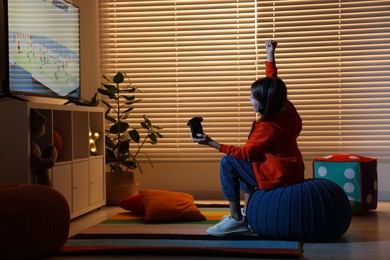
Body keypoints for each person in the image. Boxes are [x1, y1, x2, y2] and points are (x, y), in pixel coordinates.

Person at [192, 40, 305, 236]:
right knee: (246, 162)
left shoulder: (268, 128)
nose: (249, 99)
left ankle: (236, 219)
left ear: (263, 104)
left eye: (252, 97)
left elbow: (244, 153)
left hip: (278, 175)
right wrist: (270, 54)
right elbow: (272, 82)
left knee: (229, 161)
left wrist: (210, 142)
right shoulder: (284, 107)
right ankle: (250, 214)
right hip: (289, 168)